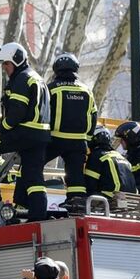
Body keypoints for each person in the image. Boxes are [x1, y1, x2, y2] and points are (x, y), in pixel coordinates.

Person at [0, 42, 51, 221]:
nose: (5, 68)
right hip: (41, 135)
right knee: (33, 175)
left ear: (16, 61)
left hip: (25, 131)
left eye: (6, 64)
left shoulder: (21, 79)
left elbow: (17, 111)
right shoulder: (38, 78)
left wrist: (2, 129)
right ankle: (38, 214)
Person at [47, 53, 98, 210]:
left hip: (54, 139)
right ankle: (76, 205)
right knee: (76, 176)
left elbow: (43, 112)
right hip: (78, 142)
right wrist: (87, 139)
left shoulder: (51, 89)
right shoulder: (87, 90)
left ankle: (29, 200)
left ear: (56, 69)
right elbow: (93, 116)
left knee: (33, 165)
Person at [84, 126, 136, 199]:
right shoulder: (121, 157)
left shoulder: (96, 156)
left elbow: (90, 184)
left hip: (110, 200)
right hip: (130, 201)